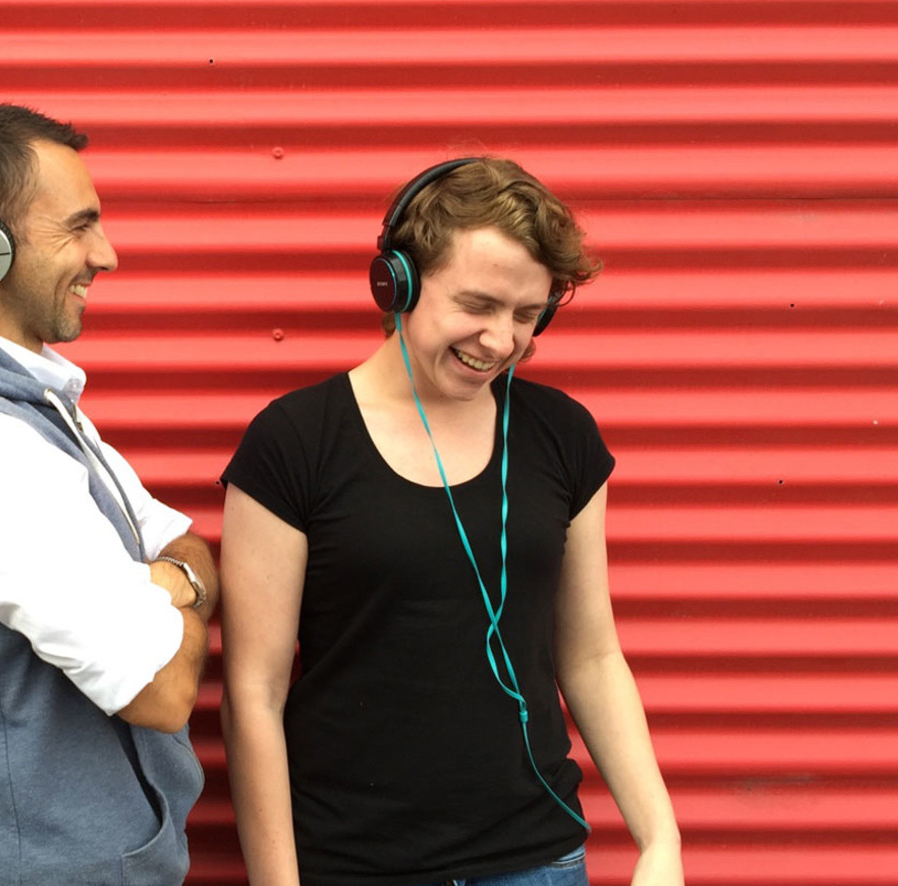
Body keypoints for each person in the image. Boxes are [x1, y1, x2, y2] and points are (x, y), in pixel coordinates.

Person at [220, 157, 682, 886]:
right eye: (478, 305)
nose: (500, 341)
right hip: (354, 866)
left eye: (526, 315)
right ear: (397, 282)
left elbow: (592, 656)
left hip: (536, 862)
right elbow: (254, 695)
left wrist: (660, 840)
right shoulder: (295, 443)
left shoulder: (562, 436)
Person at [0, 101, 216, 886]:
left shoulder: (32, 404)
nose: (106, 255)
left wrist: (170, 580)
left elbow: (180, 541)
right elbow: (162, 688)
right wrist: (176, 588)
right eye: (79, 227)